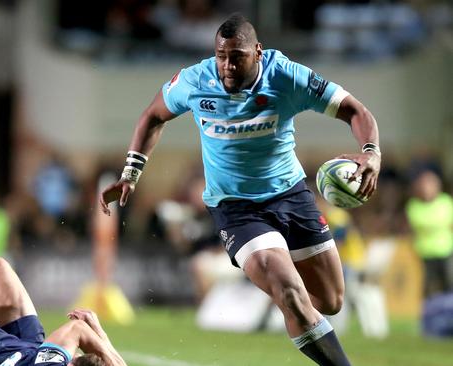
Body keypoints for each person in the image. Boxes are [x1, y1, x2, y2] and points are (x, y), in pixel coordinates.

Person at [100, 13, 381, 366]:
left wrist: (371, 153)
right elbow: (153, 115)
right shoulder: (194, 80)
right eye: (221, 56)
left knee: (330, 300)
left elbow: (355, 110)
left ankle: (303, 319)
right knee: (290, 292)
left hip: (291, 197)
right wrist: (131, 172)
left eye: (238, 56)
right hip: (236, 209)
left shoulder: (286, 76)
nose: (228, 65)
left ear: (258, 52)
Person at [405, 169, 453, 299]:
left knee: (449, 284)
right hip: (424, 254)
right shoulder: (413, 205)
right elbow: (419, 223)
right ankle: (430, 315)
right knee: (428, 288)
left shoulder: (446, 201)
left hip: (446, 251)